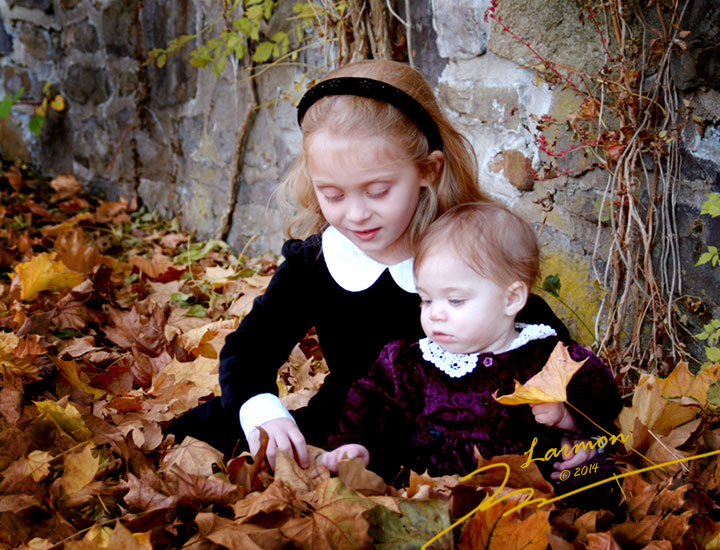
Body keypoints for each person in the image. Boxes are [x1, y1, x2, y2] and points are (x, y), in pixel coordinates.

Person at [169, 60, 570, 467]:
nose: (356, 215)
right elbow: (251, 348)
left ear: (428, 170)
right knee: (205, 429)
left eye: (377, 191)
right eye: (334, 195)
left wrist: (570, 420)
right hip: (348, 426)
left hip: (456, 430)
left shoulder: (466, 250)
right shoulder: (317, 261)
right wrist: (261, 409)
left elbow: (546, 339)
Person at [322, 202, 622, 487]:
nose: (435, 313)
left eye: (455, 300)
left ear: (511, 299)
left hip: (529, 486)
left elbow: (603, 401)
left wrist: (569, 421)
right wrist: (354, 443)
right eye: (426, 299)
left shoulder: (548, 357)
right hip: (433, 486)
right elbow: (371, 402)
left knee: (589, 472)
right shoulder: (410, 363)